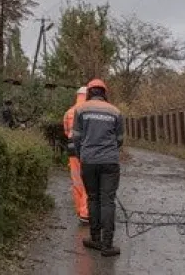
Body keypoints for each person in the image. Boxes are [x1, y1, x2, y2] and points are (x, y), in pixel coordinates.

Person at [72, 78, 123, 258]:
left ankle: (95, 238)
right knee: (107, 200)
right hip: (110, 161)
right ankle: (107, 245)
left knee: (93, 198)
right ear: (104, 93)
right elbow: (119, 140)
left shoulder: (81, 110)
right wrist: (109, 153)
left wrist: (83, 155)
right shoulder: (115, 111)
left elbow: (76, 138)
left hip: (89, 161)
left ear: (89, 93)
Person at [63, 86, 89, 224]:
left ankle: (79, 210)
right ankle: (86, 212)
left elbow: (66, 132)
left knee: (76, 181)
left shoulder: (69, 112)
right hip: (87, 150)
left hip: (72, 150)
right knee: (88, 181)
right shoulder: (89, 111)